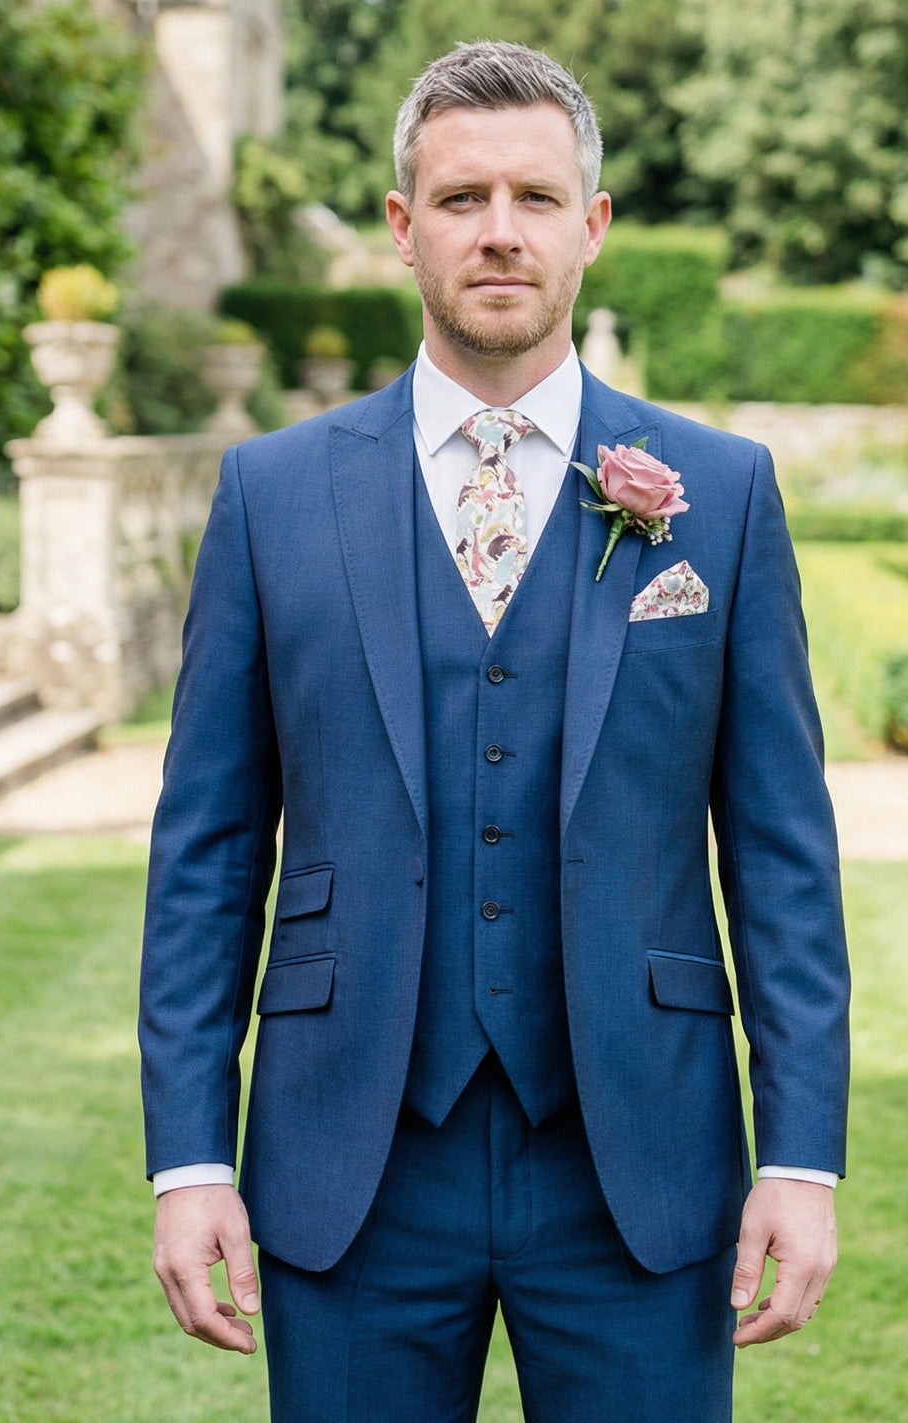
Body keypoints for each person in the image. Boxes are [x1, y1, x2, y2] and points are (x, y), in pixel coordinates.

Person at [139, 40, 849, 1423]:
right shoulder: (269, 495)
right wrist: (189, 1162)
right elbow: (209, 854)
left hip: (637, 1161)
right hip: (350, 1160)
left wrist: (801, 1158)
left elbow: (780, 856)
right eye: (461, 199)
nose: (500, 232)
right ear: (403, 231)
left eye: (535, 197)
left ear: (591, 227)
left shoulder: (720, 490)